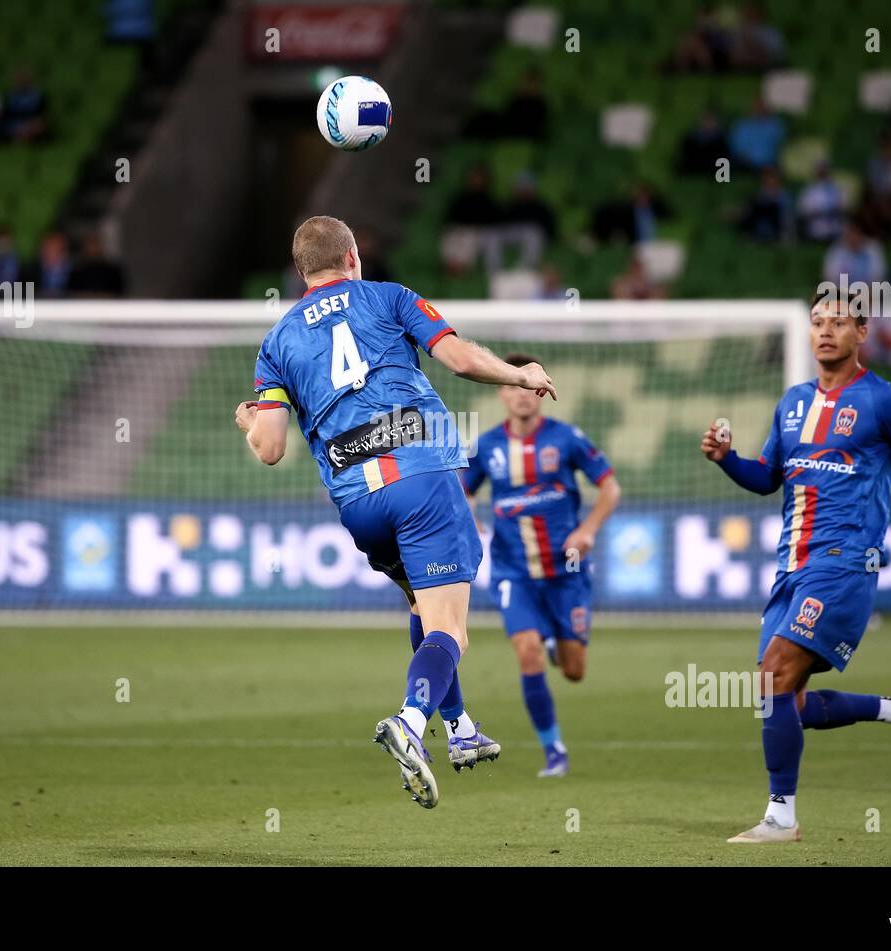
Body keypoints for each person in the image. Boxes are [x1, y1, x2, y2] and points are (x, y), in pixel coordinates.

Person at [234, 216, 556, 809]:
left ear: (301, 271)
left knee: (420, 602)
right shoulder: (390, 297)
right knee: (449, 627)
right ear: (353, 256)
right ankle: (410, 721)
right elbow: (458, 359)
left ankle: (458, 729)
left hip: (358, 501)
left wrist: (251, 420)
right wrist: (522, 375)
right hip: (419, 473)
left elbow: (272, 448)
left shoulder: (277, 341)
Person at [701, 289, 891, 843]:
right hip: (790, 565)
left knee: (773, 674)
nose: (825, 330)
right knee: (786, 702)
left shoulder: (883, 401)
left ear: (860, 334)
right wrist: (728, 461)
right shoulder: (792, 402)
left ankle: (781, 818)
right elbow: (768, 477)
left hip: (845, 561)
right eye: (818, 321)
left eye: (839, 322)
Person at [462, 354, 621, 777]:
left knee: (573, 671)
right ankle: (554, 751)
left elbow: (610, 488)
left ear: (542, 390)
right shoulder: (488, 447)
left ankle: (558, 643)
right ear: (501, 392)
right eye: (513, 387)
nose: (522, 396)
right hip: (513, 572)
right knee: (527, 652)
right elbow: (461, 491)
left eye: (529, 388)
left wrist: (587, 530)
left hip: (566, 571)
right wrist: (469, 519)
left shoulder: (566, 439)